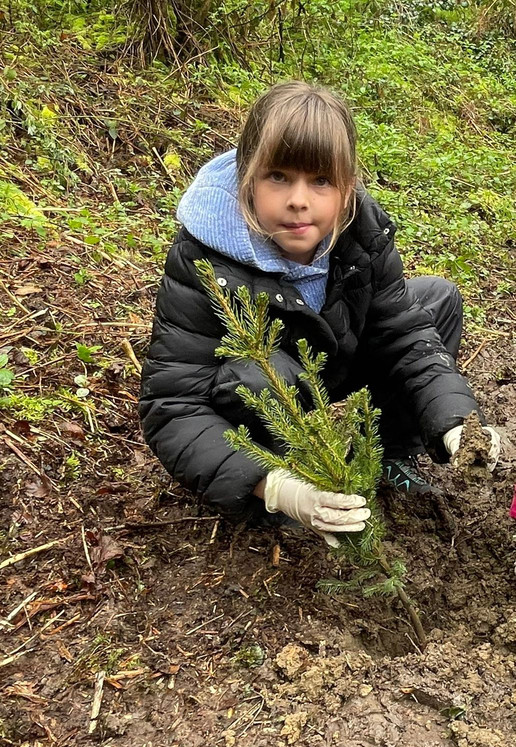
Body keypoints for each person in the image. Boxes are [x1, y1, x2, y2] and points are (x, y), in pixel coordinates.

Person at [139, 81, 500, 548]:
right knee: (256, 376)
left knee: (436, 301)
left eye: (321, 181)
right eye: (278, 177)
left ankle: (387, 452)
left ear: (347, 187)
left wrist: (457, 423)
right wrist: (274, 487)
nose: (299, 201)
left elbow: (405, 335)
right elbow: (172, 405)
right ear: (247, 175)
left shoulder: (360, 231)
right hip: (282, 395)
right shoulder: (204, 259)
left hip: (335, 367)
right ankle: (299, 488)